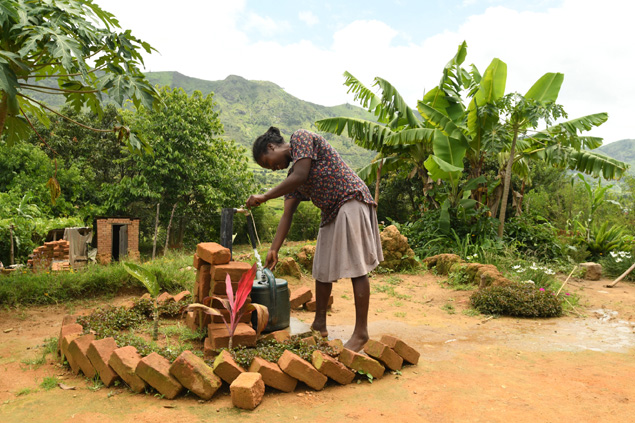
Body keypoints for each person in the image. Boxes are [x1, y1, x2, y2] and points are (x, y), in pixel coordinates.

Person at [245, 127, 383, 352]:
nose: (274, 168)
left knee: (357, 268)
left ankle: (361, 333)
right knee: (321, 269)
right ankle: (319, 325)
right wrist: (274, 249)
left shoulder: (301, 138)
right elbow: (287, 214)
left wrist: (265, 195)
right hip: (331, 211)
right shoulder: (292, 179)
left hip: (350, 199)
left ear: (271, 147)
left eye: (269, 163)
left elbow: (302, 175)